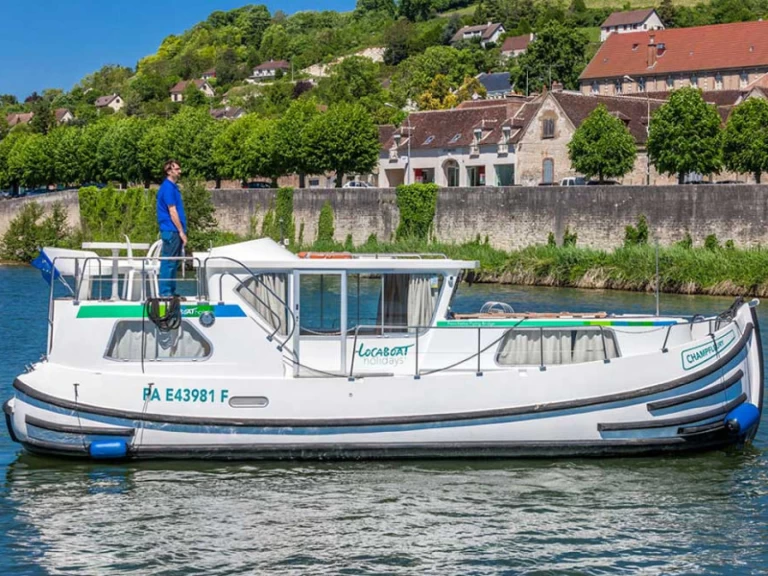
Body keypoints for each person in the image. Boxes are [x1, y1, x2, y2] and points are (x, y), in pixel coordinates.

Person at [157, 159, 187, 297]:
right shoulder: (168, 188)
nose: (180, 171)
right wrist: (181, 231)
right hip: (171, 230)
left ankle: (171, 291)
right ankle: (165, 292)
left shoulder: (173, 187)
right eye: (177, 169)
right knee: (169, 262)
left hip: (173, 230)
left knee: (173, 263)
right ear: (169, 171)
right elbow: (172, 210)